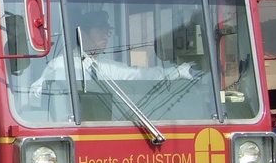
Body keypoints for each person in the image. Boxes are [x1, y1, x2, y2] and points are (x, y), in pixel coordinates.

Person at [29, 12, 194, 100]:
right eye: (99, 31)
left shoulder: (107, 66)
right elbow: (35, 93)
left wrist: (178, 72)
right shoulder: (62, 65)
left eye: (106, 31)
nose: (105, 36)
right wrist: (53, 89)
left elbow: (138, 74)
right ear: (82, 34)